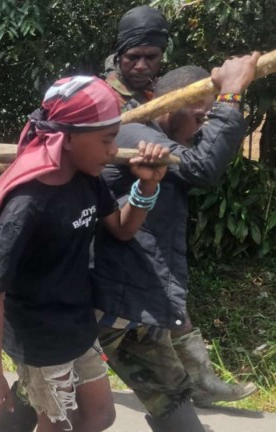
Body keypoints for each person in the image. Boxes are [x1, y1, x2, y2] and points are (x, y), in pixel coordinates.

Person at [0, 76, 170, 432]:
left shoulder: (88, 180)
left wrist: (147, 185)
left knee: (100, 415)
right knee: (57, 424)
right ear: (67, 138)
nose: (113, 151)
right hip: (39, 334)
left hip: (77, 324)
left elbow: (123, 228)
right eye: (107, 140)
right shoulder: (25, 207)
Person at [93, 55, 260, 431]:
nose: (200, 130)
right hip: (97, 299)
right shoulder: (136, 132)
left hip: (133, 302)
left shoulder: (159, 138)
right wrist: (230, 98)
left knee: (173, 398)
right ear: (173, 108)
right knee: (47, 390)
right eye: (200, 118)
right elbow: (202, 167)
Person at [104, 6, 169, 109]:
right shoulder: (106, 101)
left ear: (161, 56)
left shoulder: (161, 91)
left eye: (151, 57)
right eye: (133, 57)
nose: (141, 66)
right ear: (119, 56)